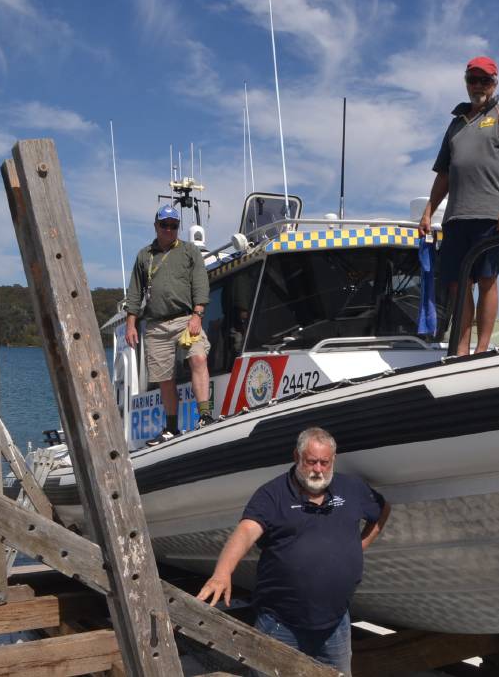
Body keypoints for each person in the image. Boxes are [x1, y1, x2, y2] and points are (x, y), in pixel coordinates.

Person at [197, 427, 391, 674]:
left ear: (334, 460)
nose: (318, 470)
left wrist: (359, 545)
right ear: (296, 457)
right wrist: (222, 573)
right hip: (280, 625)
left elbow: (382, 510)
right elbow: (246, 531)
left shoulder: (352, 489)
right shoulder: (272, 494)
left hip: (335, 624)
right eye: (311, 462)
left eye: (325, 462)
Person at [418, 55, 499, 355]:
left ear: (494, 83)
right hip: (456, 217)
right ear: (466, 82)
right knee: (457, 283)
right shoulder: (455, 125)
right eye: (473, 79)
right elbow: (444, 173)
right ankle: (461, 348)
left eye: (485, 80)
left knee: (487, 279)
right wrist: (429, 209)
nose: (478, 85)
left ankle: (481, 349)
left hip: (491, 215)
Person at [124, 203, 213, 446]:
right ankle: (171, 427)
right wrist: (131, 323)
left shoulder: (190, 251)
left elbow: (200, 285)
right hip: (155, 326)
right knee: (164, 377)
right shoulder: (144, 255)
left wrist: (197, 314)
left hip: (186, 319)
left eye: (174, 226)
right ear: (156, 226)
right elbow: (135, 293)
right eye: (164, 225)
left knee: (198, 358)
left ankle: (205, 415)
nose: (169, 230)